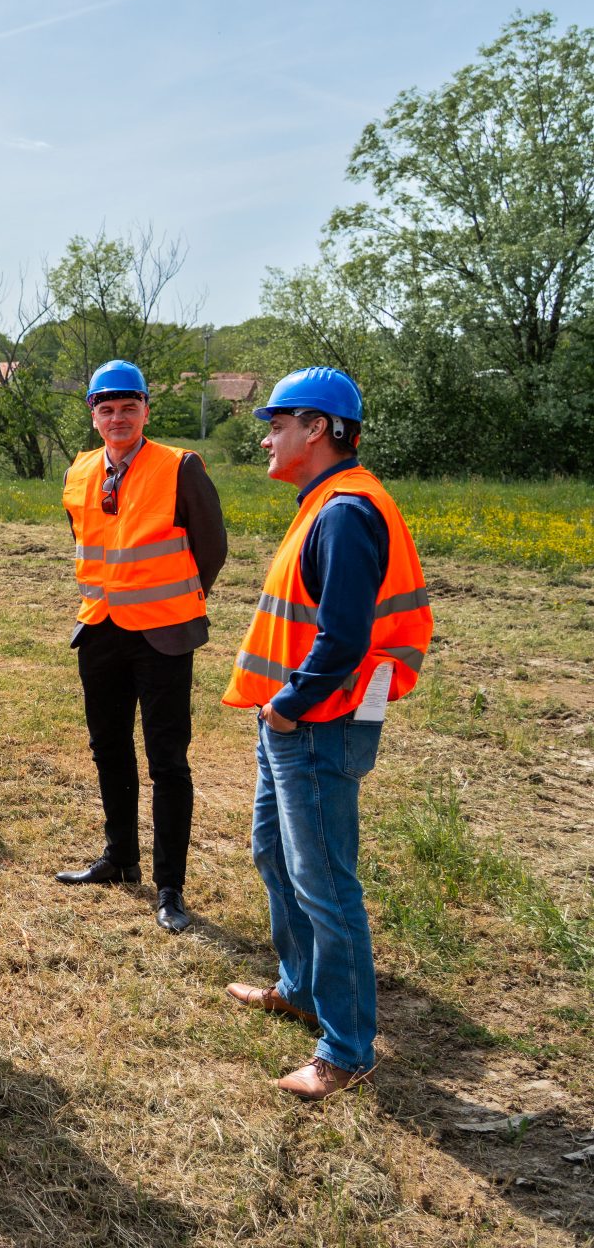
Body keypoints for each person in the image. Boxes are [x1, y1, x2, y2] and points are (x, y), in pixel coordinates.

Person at [223, 367, 432, 1100]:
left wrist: (289, 704)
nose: (267, 438)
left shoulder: (345, 511)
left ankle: (345, 1050)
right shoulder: (325, 502)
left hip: (316, 723)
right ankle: (300, 988)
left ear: (318, 429)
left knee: (325, 885)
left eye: (277, 424)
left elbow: (343, 636)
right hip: (292, 721)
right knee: (275, 856)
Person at [55, 360, 227, 933]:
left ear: (146, 411)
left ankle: (169, 886)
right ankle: (120, 858)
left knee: (167, 761)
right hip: (99, 628)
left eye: (129, 408)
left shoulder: (180, 466)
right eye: (107, 409)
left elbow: (212, 548)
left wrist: (178, 598)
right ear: (93, 416)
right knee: (108, 747)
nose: (118, 419)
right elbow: (85, 540)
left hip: (164, 633)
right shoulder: (79, 470)